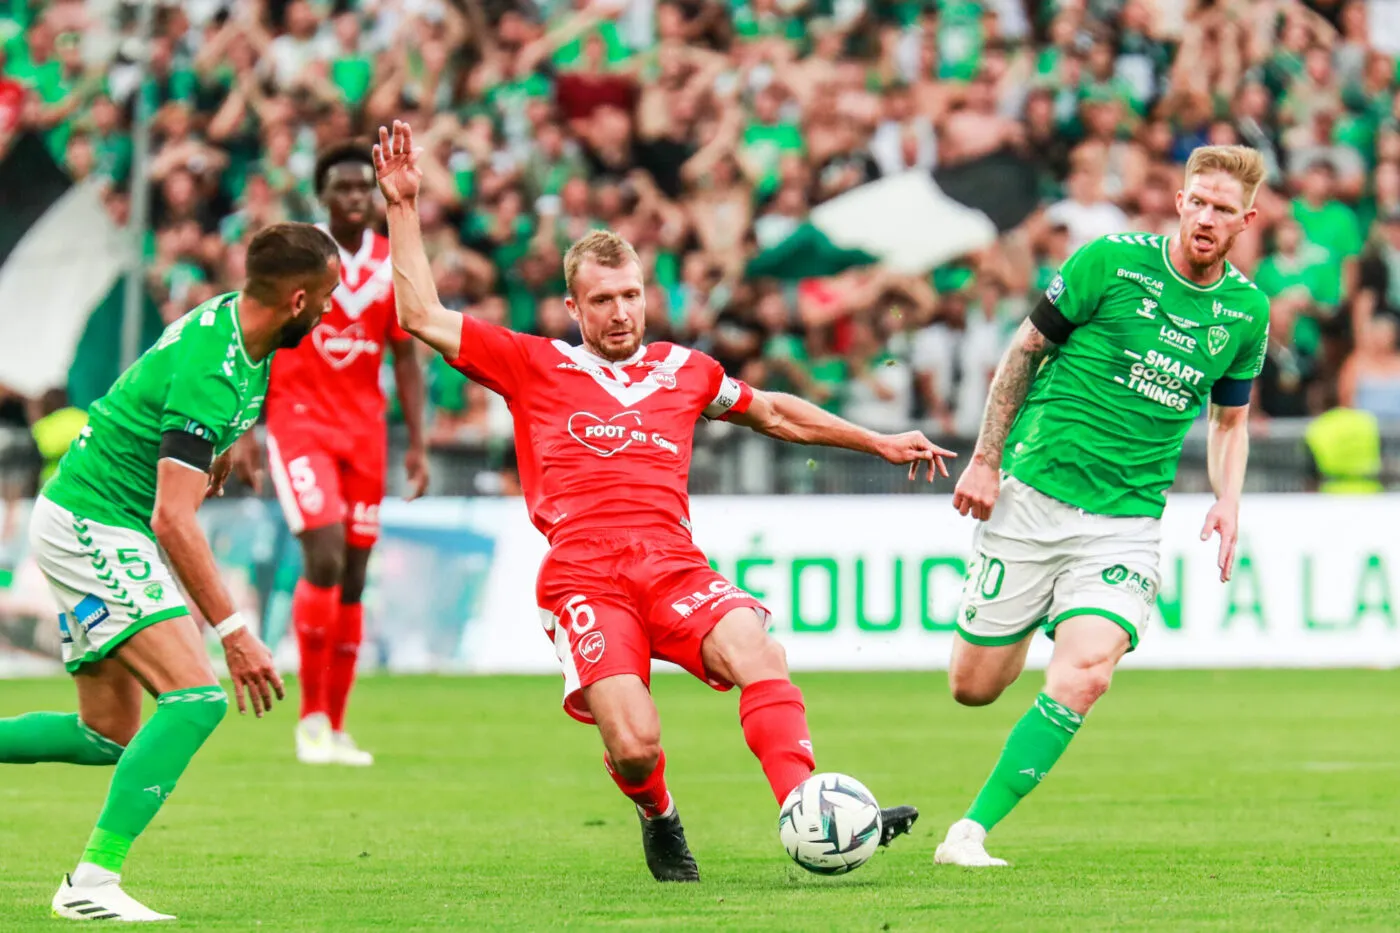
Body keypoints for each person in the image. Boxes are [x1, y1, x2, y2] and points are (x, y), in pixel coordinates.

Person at [373, 121, 949, 881]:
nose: (621, 312)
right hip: (584, 574)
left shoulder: (686, 369)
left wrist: (875, 440)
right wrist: (404, 207)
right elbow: (419, 315)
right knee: (636, 742)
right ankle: (659, 813)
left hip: (674, 563)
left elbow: (774, 410)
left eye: (632, 295)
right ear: (574, 309)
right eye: (603, 300)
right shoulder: (532, 363)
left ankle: (811, 804)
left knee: (758, 649)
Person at [934, 145, 1271, 867]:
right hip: (1032, 495)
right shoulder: (1109, 261)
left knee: (1088, 671)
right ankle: (1029, 613)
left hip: (1124, 523)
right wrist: (987, 459)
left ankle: (970, 831)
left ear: (1248, 219)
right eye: (1198, 201)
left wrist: (1228, 498)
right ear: (1180, 202)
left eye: (1223, 208)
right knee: (974, 687)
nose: (1207, 217)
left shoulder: (1245, 312)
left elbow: (1229, 422)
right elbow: (1023, 353)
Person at [0, 223, 337, 920]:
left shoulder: (245, 332)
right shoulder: (214, 368)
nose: (332, 311)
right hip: (94, 522)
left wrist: (223, 451)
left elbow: (188, 416)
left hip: (88, 518)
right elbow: (172, 519)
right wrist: (236, 630)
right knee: (198, 695)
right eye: (328, 298)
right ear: (298, 299)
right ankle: (90, 883)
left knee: (107, 735)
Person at [250, 141, 429, 767]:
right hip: (300, 427)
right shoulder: (297, 256)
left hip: (366, 436)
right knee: (322, 556)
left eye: (364, 188)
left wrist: (419, 442)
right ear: (323, 196)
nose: (356, 197)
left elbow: (405, 355)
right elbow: (259, 338)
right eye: (344, 188)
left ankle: (336, 724)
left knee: (353, 578)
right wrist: (245, 427)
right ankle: (309, 721)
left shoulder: (391, 262)